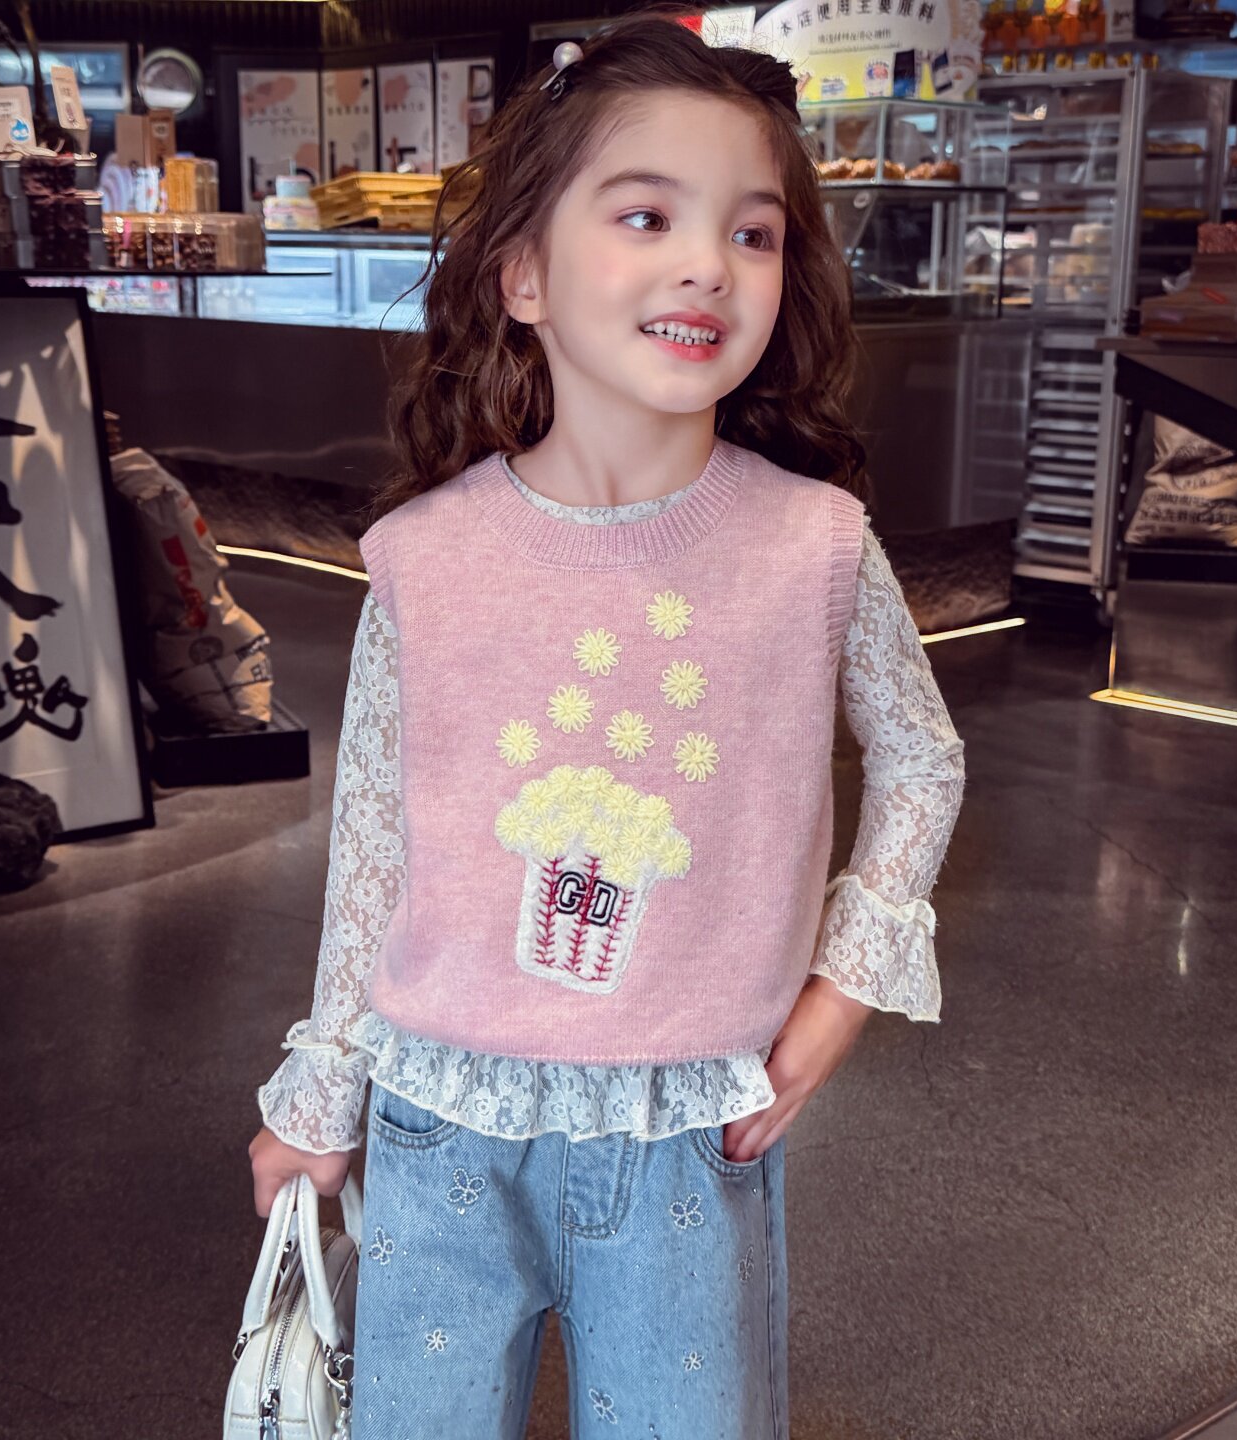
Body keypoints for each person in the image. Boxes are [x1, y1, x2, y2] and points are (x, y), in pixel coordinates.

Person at [247, 10, 965, 1436]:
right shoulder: (425, 558)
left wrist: (834, 1004)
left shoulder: (815, 543)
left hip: (687, 1133)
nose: (707, 263)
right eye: (647, 215)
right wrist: (321, 1090)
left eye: (753, 233)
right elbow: (376, 838)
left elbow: (923, 758)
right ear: (522, 273)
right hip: (438, 1123)